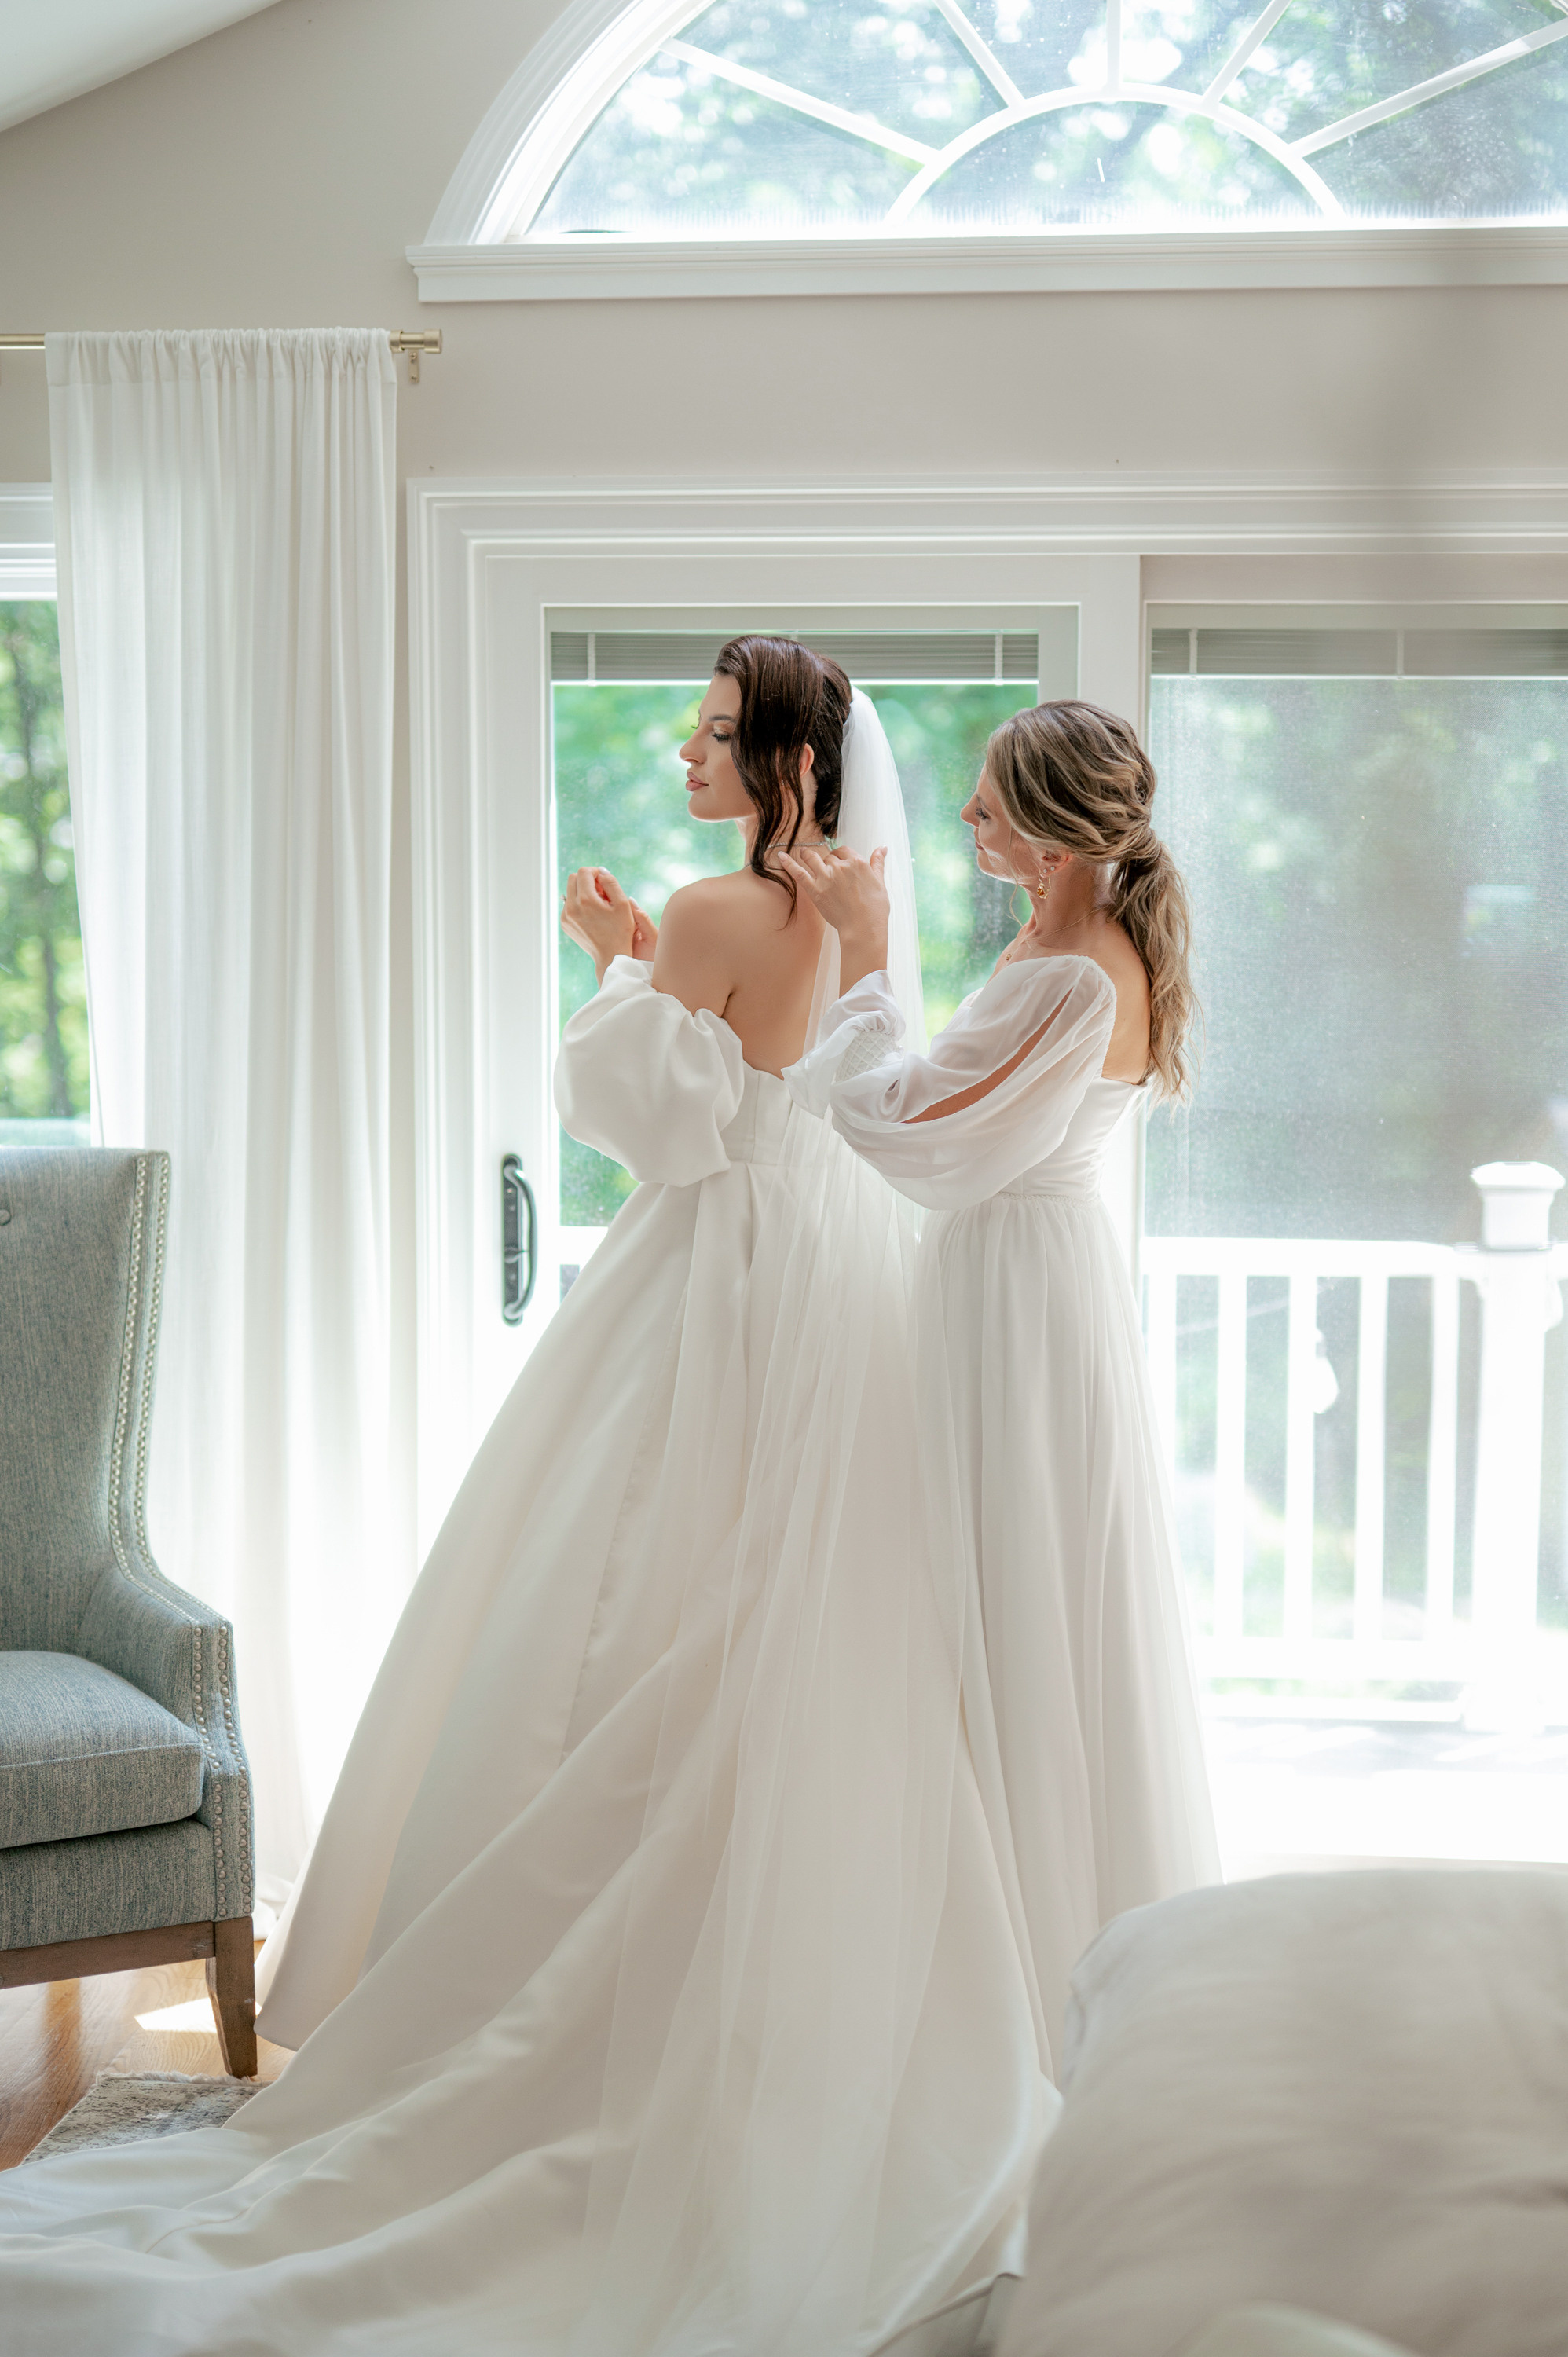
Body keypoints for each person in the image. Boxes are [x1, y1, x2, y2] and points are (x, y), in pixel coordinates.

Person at [0, 643, 1047, 2357]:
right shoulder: (846, 922)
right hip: (827, 1285)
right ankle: (754, 2018)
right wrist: (649, 967)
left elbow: (648, 1126)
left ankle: (547, 2011)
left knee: (603, 1615)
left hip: (706, 1283)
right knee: (775, 1640)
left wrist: (616, 970)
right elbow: (798, 1088)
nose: (690, 753)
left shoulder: (714, 911)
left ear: (790, 762)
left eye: (719, 735)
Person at [782, 698, 1220, 2069]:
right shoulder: (1071, 948)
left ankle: (1013, 1971)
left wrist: (864, 956)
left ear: (1054, 833)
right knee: (1023, 1579)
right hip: (1036, 1279)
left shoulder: (1074, 974)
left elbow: (916, 1132)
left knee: (1009, 1579)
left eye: (990, 800)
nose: (966, 815)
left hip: (1016, 1297)